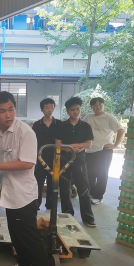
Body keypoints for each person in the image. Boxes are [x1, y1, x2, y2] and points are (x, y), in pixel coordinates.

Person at [0, 91, 54, 266]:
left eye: (11, 109)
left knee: (29, 235)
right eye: (2, 111)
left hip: (24, 194)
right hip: (9, 192)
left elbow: (27, 163)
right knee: (16, 233)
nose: (8, 115)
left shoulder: (25, 132)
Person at [54, 97, 96, 227]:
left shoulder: (86, 126)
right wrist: (69, 148)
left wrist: (76, 146)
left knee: (83, 188)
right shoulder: (61, 126)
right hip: (63, 161)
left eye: (77, 109)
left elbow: (88, 143)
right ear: (67, 111)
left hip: (80, 161)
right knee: (64, 189)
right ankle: (67, 216)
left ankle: (88, 218)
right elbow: (57, 143)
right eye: (72, 109)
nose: (75, 112)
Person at [83, 97, 125, 205]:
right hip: (89, 150)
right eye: (95, 105)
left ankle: (98, 196)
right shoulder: (88, 117)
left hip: (104, 150)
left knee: (101, 174)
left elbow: (120, 130)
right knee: (90, 174)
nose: (98, 107)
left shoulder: (108, 117)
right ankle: (91, 194)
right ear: (91, 106)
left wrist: (115, 145)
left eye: (100, 105)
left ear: (103, 105)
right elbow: (80, 128)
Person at [32, 98, 59, 210]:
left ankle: (50, 205)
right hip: (40, 158)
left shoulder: (59, 124)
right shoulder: (37, 125)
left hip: (55, 159)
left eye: (52, 107)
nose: (50, 109)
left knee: (53, 184)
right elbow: (33, 142)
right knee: (38, 182)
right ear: (42, 109)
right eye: (47, 107)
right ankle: (36, 205)